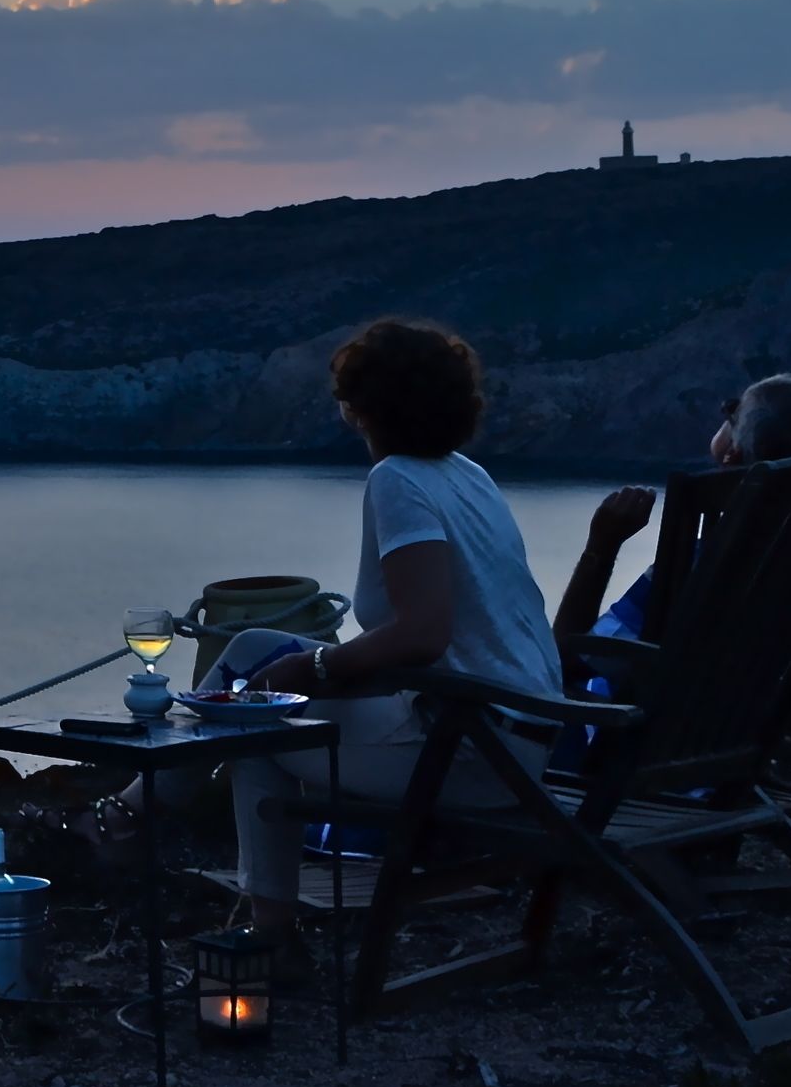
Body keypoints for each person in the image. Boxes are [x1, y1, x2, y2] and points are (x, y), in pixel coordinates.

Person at [229, 321, 565, 974]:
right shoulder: (467, 475)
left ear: (358, 410)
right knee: (251, 647)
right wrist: (324, 668)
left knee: (253, 723)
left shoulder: (399, 482)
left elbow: (422, 633)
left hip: (473, 749)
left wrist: (322, 665)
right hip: (512, 732)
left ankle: (267, 930)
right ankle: (132, 810)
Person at [543, 372, 791, 767]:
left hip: (621, 770)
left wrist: (601, 548)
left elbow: (565, 662)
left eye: (732, 413)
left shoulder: (706, 567)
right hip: (726, 773)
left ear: (731, 455)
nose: (725, 415)